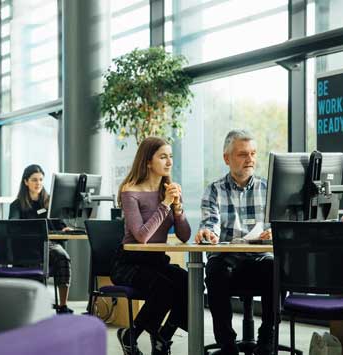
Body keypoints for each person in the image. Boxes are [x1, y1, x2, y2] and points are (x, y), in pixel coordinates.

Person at [195, 129, 274, 355]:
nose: (250, 159)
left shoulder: (268, 189)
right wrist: (208, 234)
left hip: (259, 259)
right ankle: (227, 345)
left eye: (253, 153)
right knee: (215, 268)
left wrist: (273, 233)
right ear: (227, 158)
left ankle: (267, 339)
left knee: (275, 268)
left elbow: (279, 225)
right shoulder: (214, 190)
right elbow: (210, 224)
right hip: (227, 260)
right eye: (242, 154)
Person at [110, 137, 191, 355]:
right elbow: (142, 237)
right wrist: (165, 204)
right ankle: (132, 334)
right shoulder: (130, 191)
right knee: (164, 288)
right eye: (163, 156)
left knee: (189, 282)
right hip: (129, 264)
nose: (169, 162)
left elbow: (184, 236)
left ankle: (163, 337)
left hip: (156, 262)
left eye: (171, 156)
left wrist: (178, 208)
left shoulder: (167, 190)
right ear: (147, 161)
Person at [9, 164, 74, 314]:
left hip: (48, 244)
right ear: (26, 182)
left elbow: (59, 223)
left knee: (63, 257)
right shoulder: (17, 205)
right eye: (34, 180)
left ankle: (62, 305)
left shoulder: (50, 202)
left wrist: (64, 228)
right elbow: (13, 226)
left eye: (40, 180)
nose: (38, 183)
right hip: (27, 246)